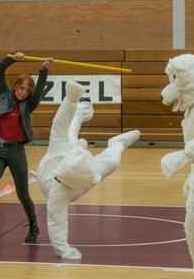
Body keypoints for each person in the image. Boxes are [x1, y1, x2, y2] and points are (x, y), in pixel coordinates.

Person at [34, 81, 140, 260]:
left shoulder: (85, 169)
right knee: (75, 132)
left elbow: (59, 124)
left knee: (75, 132)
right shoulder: (60, 189)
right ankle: (86, 109)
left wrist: (71, 98)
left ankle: (88, 111)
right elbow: (56, 221)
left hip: (70, 165)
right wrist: (63, 249)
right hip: (52, 173)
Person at [0, 51, 52, 247]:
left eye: (27, 90)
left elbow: (39, 91)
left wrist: (44, 70)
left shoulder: (28, 105)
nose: (24, 92)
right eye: (22, 88)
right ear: (15, 86)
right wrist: (13, 58)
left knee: (23, 194)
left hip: (16, 152)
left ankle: (33, 225)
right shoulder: (4, 94)